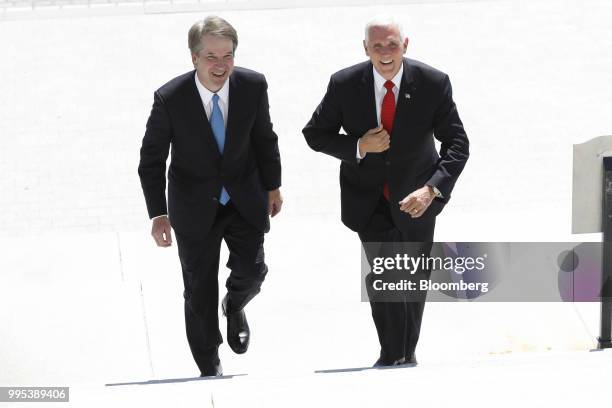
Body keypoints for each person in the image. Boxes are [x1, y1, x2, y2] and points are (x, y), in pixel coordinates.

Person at [303, 17, 469, 366]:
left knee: (412, 278)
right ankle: (392, 353)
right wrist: (359, 145)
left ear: (405, 45)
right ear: (366, 49)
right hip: (368, 197)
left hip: (418, 199)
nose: (385, 53)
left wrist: (431, 191)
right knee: (384, 273)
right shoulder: (345, 83)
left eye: (392, 44)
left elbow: (457, 143)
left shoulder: (432, 83)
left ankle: (407, 352)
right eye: (377, 46)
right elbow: (315, 133)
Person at [138, 16, 282, 377]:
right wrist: (158, 213)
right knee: (198, 292)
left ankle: (234, 305)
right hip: (191, 206)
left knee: (252, 272)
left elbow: (265, 138)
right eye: (211, 57)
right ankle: (209, 364)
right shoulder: (170, 98)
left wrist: (273, 185)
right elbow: (151, 159)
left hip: (243, 198)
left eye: (228, 56)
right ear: (194, 58)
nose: (221, 66)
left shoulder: (252, 85)